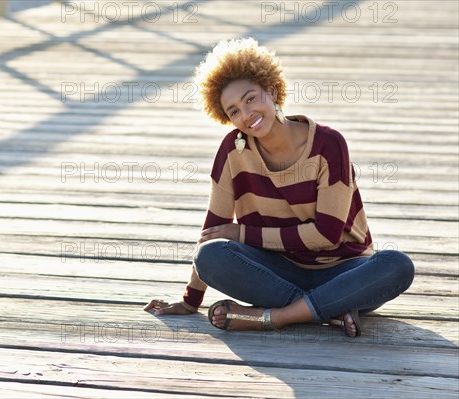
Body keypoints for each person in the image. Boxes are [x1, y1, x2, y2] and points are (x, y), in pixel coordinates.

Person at [144, 38, 415, 337]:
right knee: (209, 256)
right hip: (277, 272)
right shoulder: (233, 151)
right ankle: (329, 308)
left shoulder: (328, 144)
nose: (246, 114)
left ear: (271, 90)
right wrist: (190, 299)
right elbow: (213, 231)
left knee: (396, 265)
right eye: (233, 111)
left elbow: (326, 234)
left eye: (250, 99)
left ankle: (274, 317)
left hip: (344, 269)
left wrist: (244, 233)